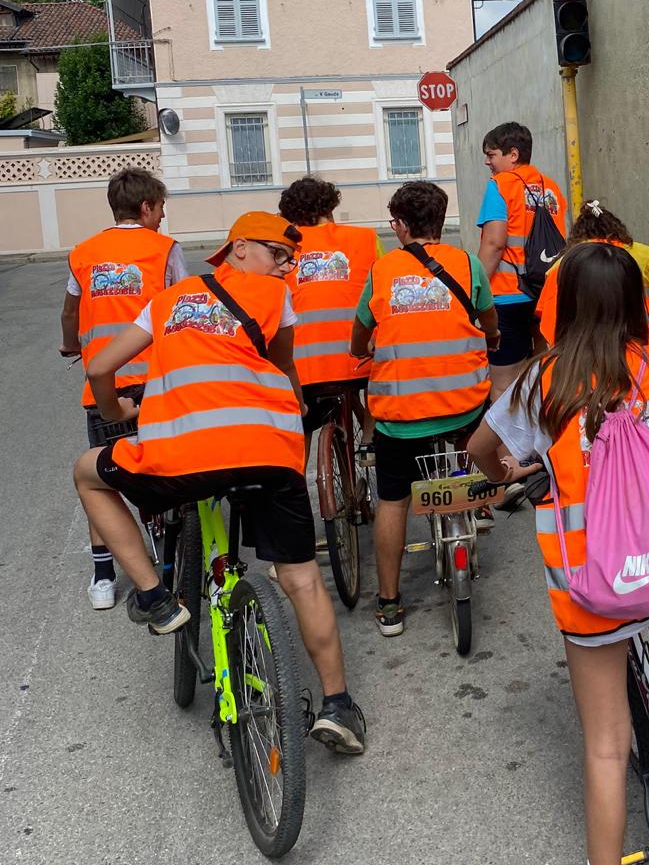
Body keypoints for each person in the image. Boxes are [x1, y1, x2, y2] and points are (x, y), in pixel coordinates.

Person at [467, 242, 649, 865]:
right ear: (634, 300)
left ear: (567, 303)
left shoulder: (542, 382)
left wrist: (520, 466)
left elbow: (480, 451)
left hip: (594, 588)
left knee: (605, 744)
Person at [72, 211, 366, 755]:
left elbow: (98, 367)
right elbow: (282, 371)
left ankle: (156, 598)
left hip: (175, 455)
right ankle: (337, 705)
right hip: (266, 453)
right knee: (301, 577)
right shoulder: (273, 299)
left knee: (87, 473)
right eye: (277, 253)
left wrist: (118, 408)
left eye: (289, 257)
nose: (286, 266)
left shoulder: (167, 301)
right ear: (237, 249)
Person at [349, 181, 500, 637]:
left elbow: (359, 337)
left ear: (401, 225)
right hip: (463, 402)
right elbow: (488, 322)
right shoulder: (467, 263)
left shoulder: (382, 271)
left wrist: (366, 348)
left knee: (393, 500)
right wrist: (489, 339)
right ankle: (479, 497)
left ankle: (391, 605)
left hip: (400, 413)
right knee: (471, 434)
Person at [60, 167, 188, 610]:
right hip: (157, 379)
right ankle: (177, 557)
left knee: (101, 480)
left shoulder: (83, 253)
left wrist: (68, 344)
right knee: (171, 464)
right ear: (146, 207)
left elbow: (69, 314)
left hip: (106, 386)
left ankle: (102, 577)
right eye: (161, 208)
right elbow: (180, 305)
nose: (163, 217)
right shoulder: (165, 250)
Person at [277, 176, 381, 457]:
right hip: (357, 358)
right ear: (330, 207)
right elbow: (381, 289)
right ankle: (369, 438)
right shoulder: (365, 239)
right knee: (380, 370)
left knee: (303, 421)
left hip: (304, 365)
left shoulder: (282, 250)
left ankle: (298, 471)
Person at [534, 201, 649, 369]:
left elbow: (548, 322)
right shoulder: (637, 252)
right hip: (636, 340)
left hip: (578, 348)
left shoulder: (560, 264)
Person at [476, 122, 567, 397]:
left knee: (505, 386)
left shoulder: (500, 185)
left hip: (507, 296)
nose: (487, 162)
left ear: (512, 154)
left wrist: (473, 289)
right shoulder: (551, 188)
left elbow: (493, 244)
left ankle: (509, 441)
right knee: (545, 377)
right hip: (546, 295)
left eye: (491, 155)